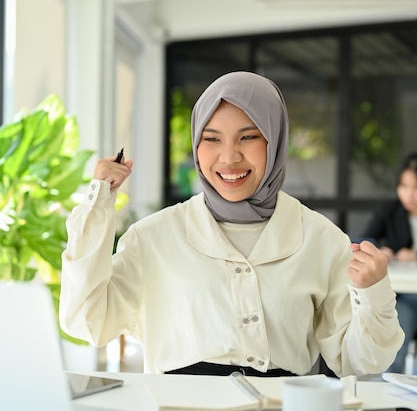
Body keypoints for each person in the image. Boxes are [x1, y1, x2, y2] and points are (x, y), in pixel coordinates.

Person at [59, 71, 404, 377]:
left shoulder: (322, 240)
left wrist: (374, 293)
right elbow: (87, 321)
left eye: (248, 137)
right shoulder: (153, 237)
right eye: (211, 139)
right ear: (195, 145)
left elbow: (359, 363)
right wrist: (98, 204)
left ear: (276, 140)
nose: (228, 157)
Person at [361, 152, 417, 373]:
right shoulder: (390, 210)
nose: (409, 194)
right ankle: (391, 395)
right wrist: (380, 250)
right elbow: (364, 239)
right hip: (403, 295)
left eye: (415, 187)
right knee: (399, 323)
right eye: (404, 186)